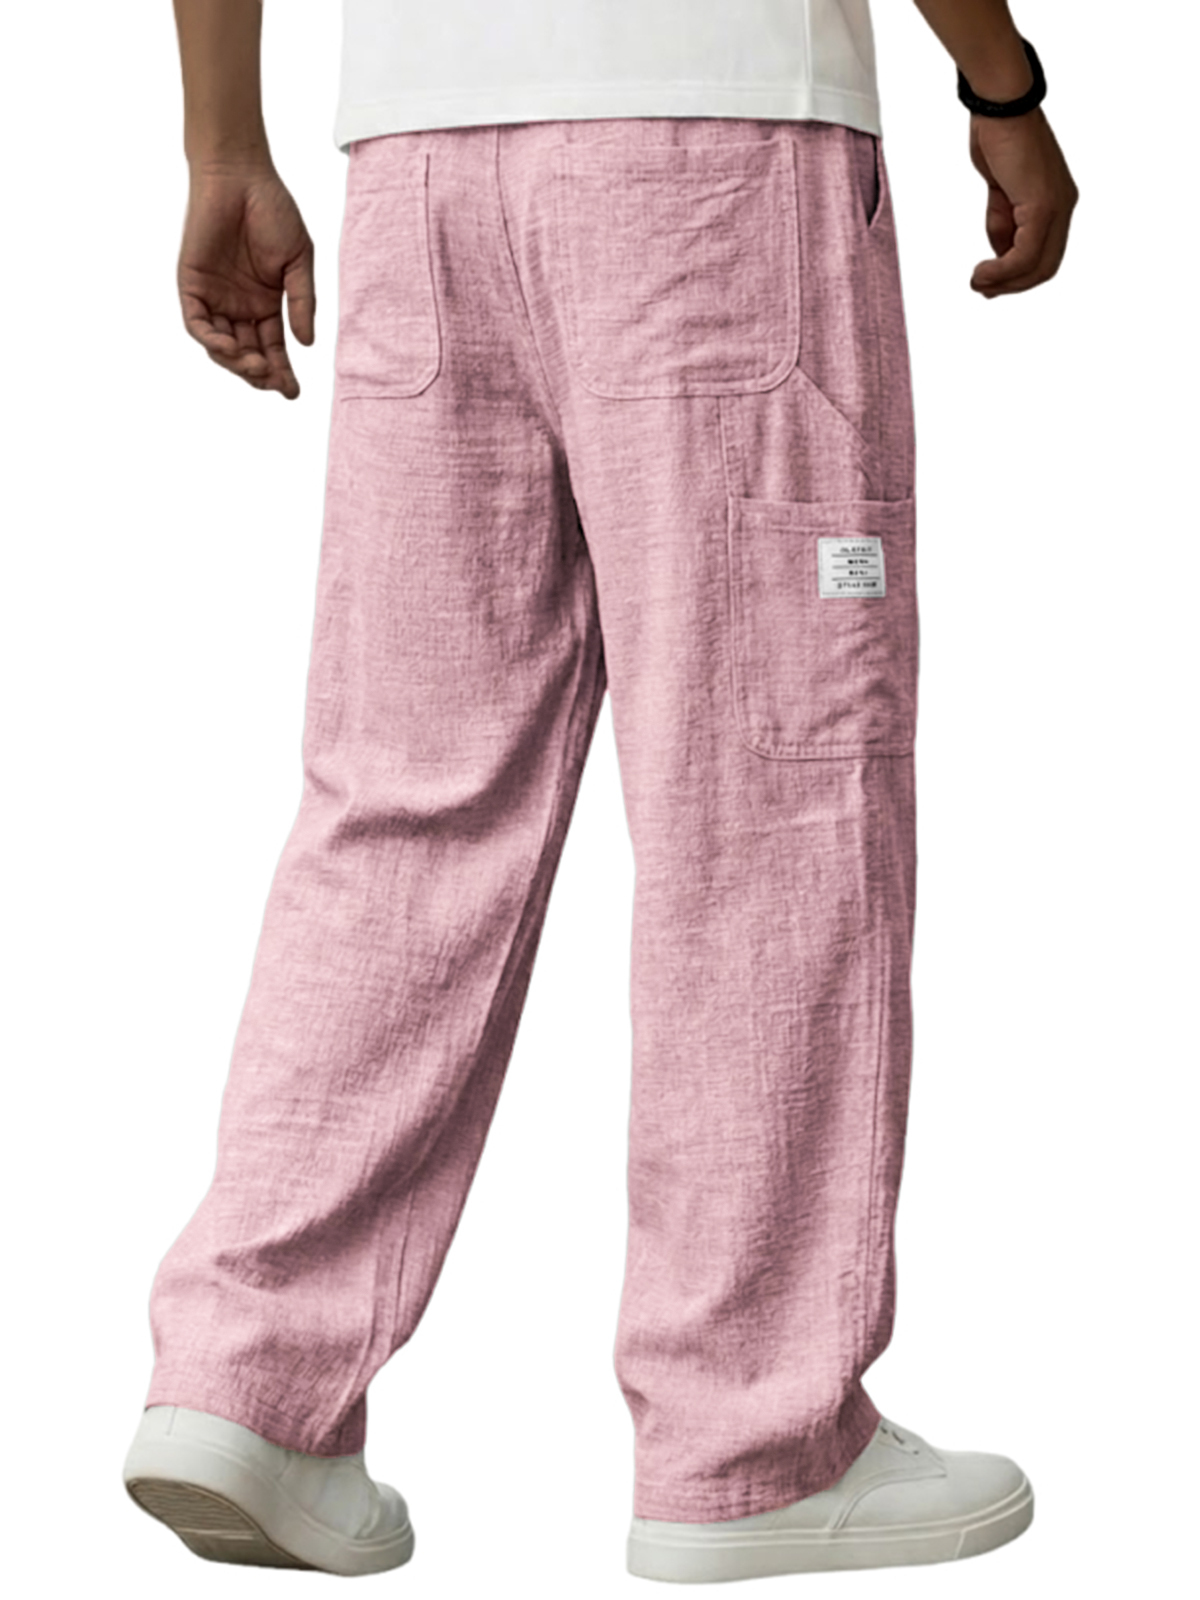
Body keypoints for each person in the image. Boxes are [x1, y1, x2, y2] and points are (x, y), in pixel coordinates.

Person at [122, 0, 1078, 1581]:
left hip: (421, 166)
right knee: (767, 799)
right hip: (718, 142)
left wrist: (223, 149)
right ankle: (750, 1442)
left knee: (401, 801)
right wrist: (1002, 81)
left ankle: (246, 1387)